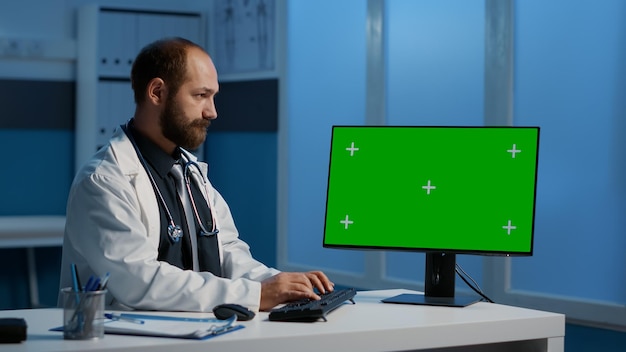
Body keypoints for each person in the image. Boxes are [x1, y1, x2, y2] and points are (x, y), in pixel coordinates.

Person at [59, 37, 334, 312]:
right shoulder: (104, 180)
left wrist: (276, 283)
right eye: (200, 95)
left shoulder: (190, 172)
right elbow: (139, 282)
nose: (212, 112)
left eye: (213, 97)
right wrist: (255, 294)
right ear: (157, 92)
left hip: (193, 332)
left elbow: (226, 249)